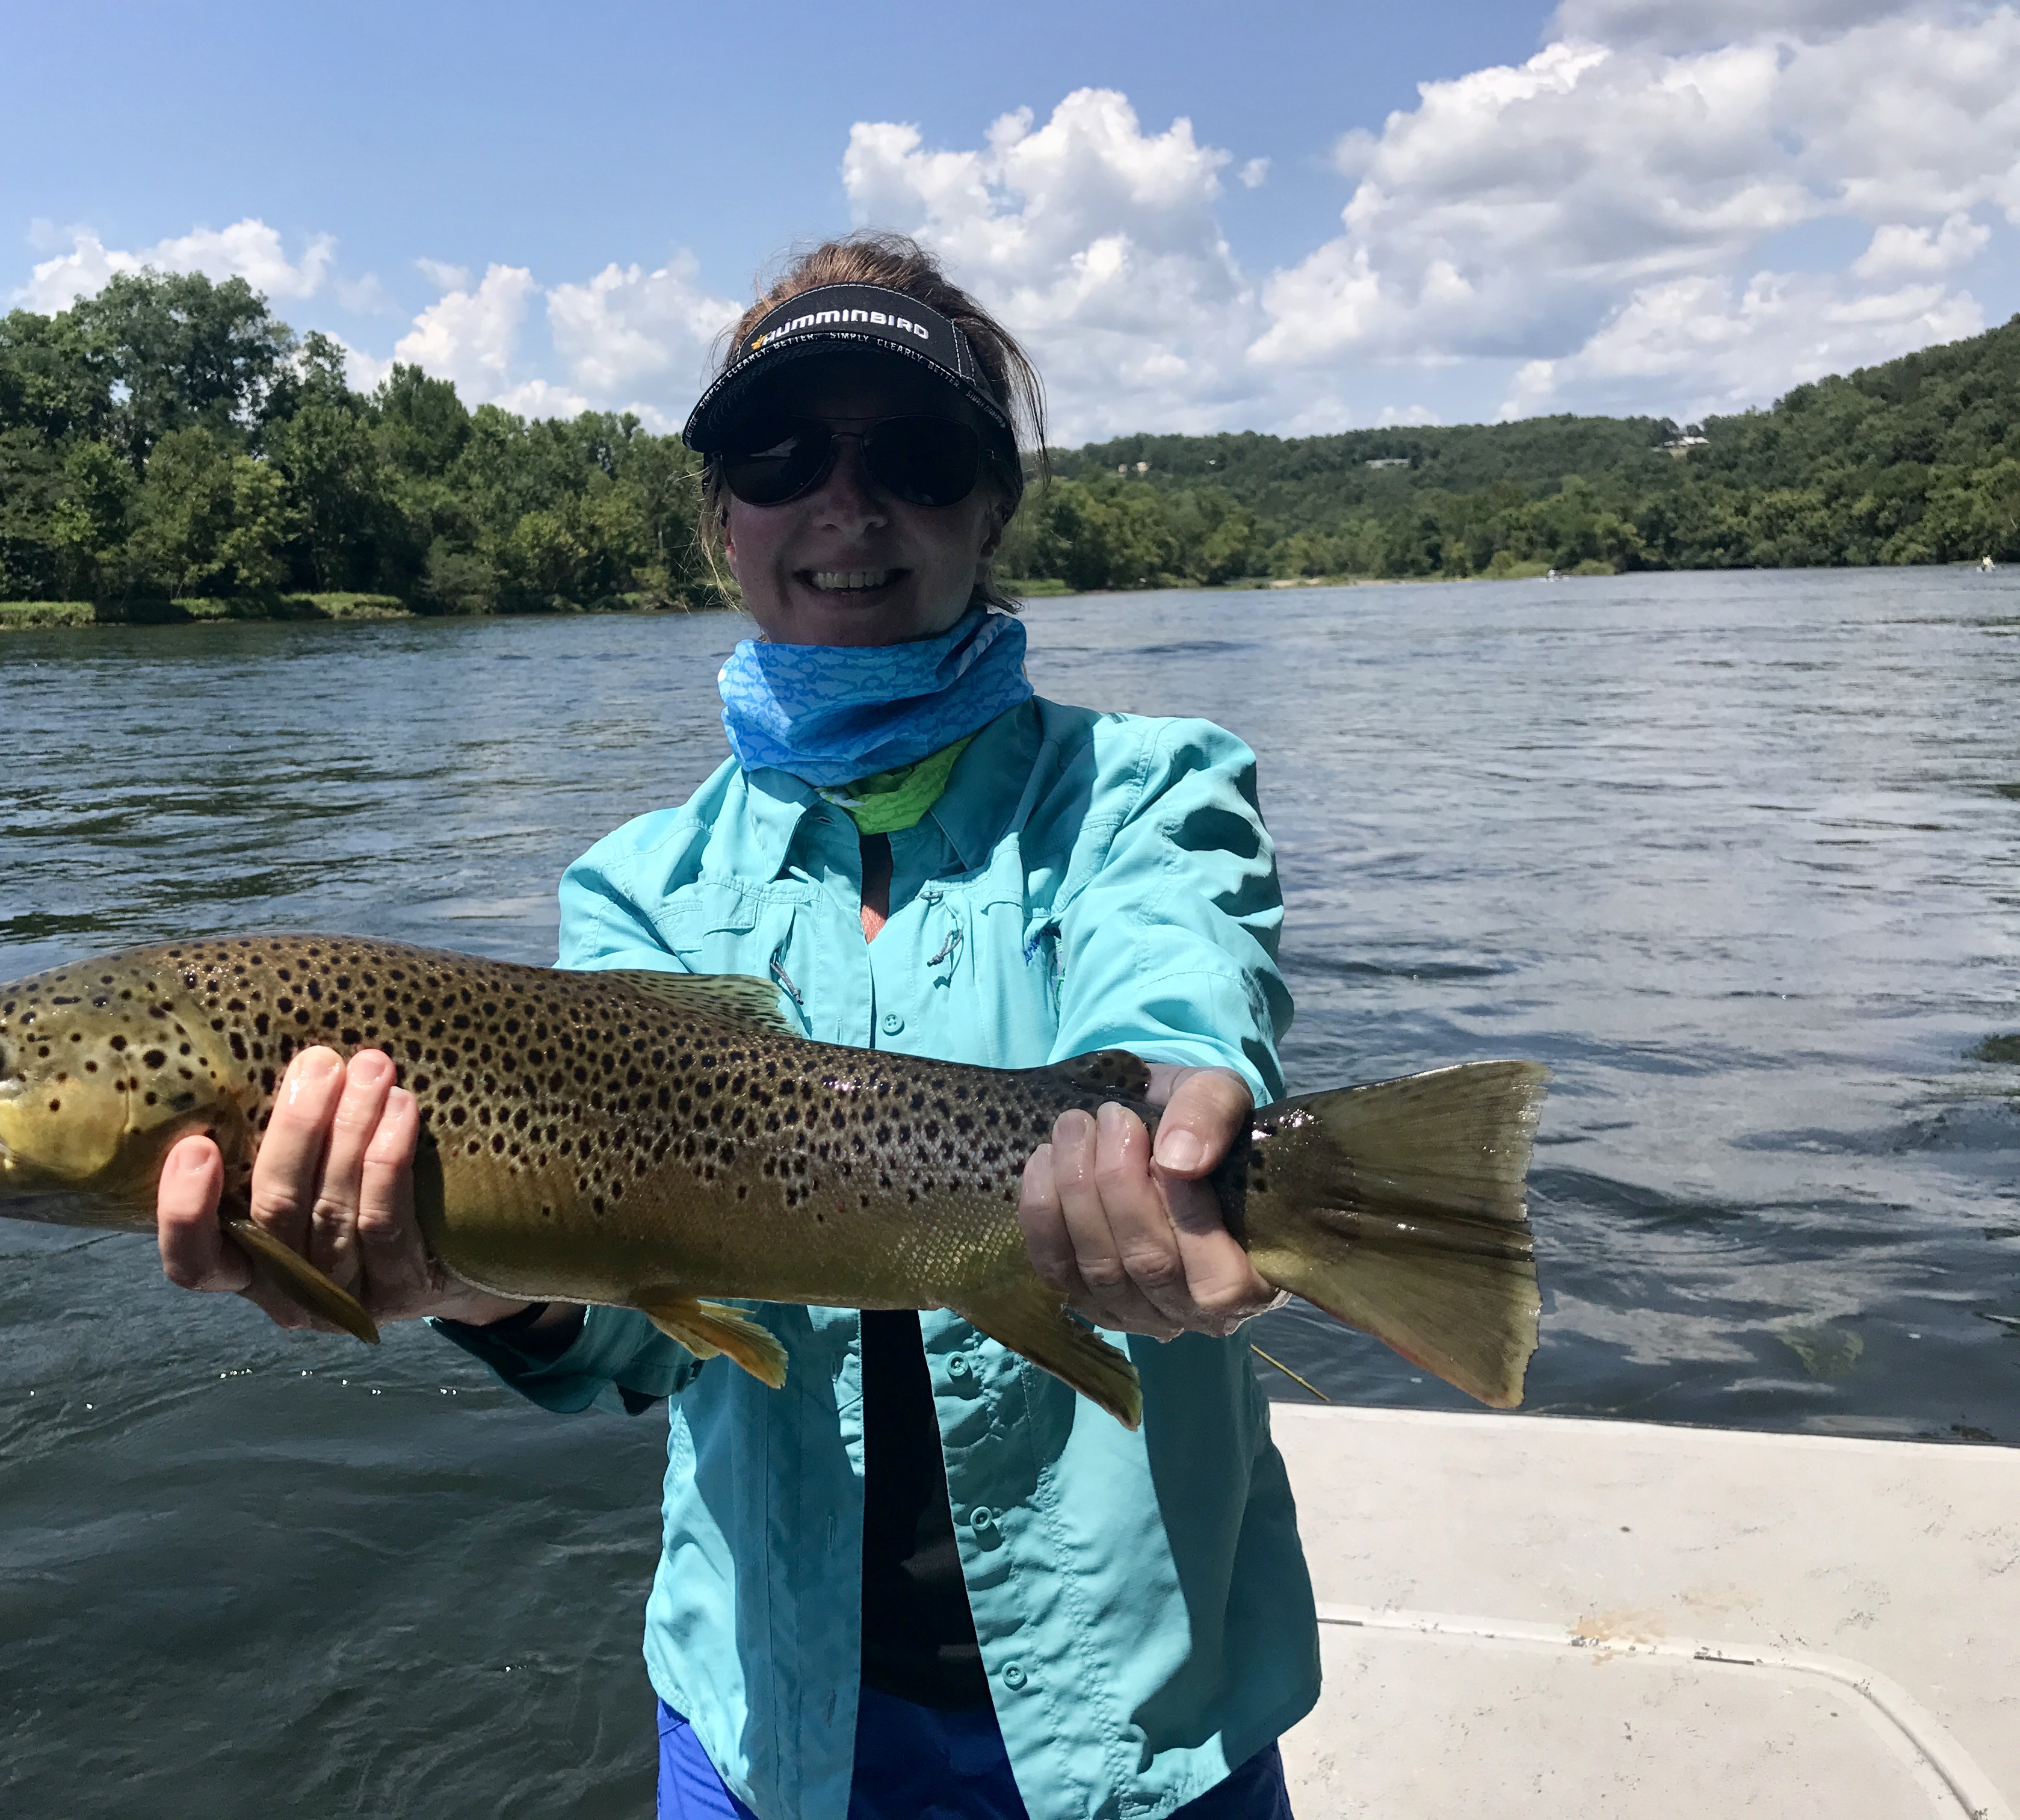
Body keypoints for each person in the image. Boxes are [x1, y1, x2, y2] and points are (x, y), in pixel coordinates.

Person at [153, 232, 1317, 1820]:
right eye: (779, 453)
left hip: (1136, 1708)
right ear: (722, 518)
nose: (847, 503)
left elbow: (1175, 986)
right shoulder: (637, 892)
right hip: (769, 1717)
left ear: (992, 507)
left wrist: (1180, 1121)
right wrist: (481, 1290)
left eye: (911, 453)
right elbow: (643, 1329)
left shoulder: (1148, 791)